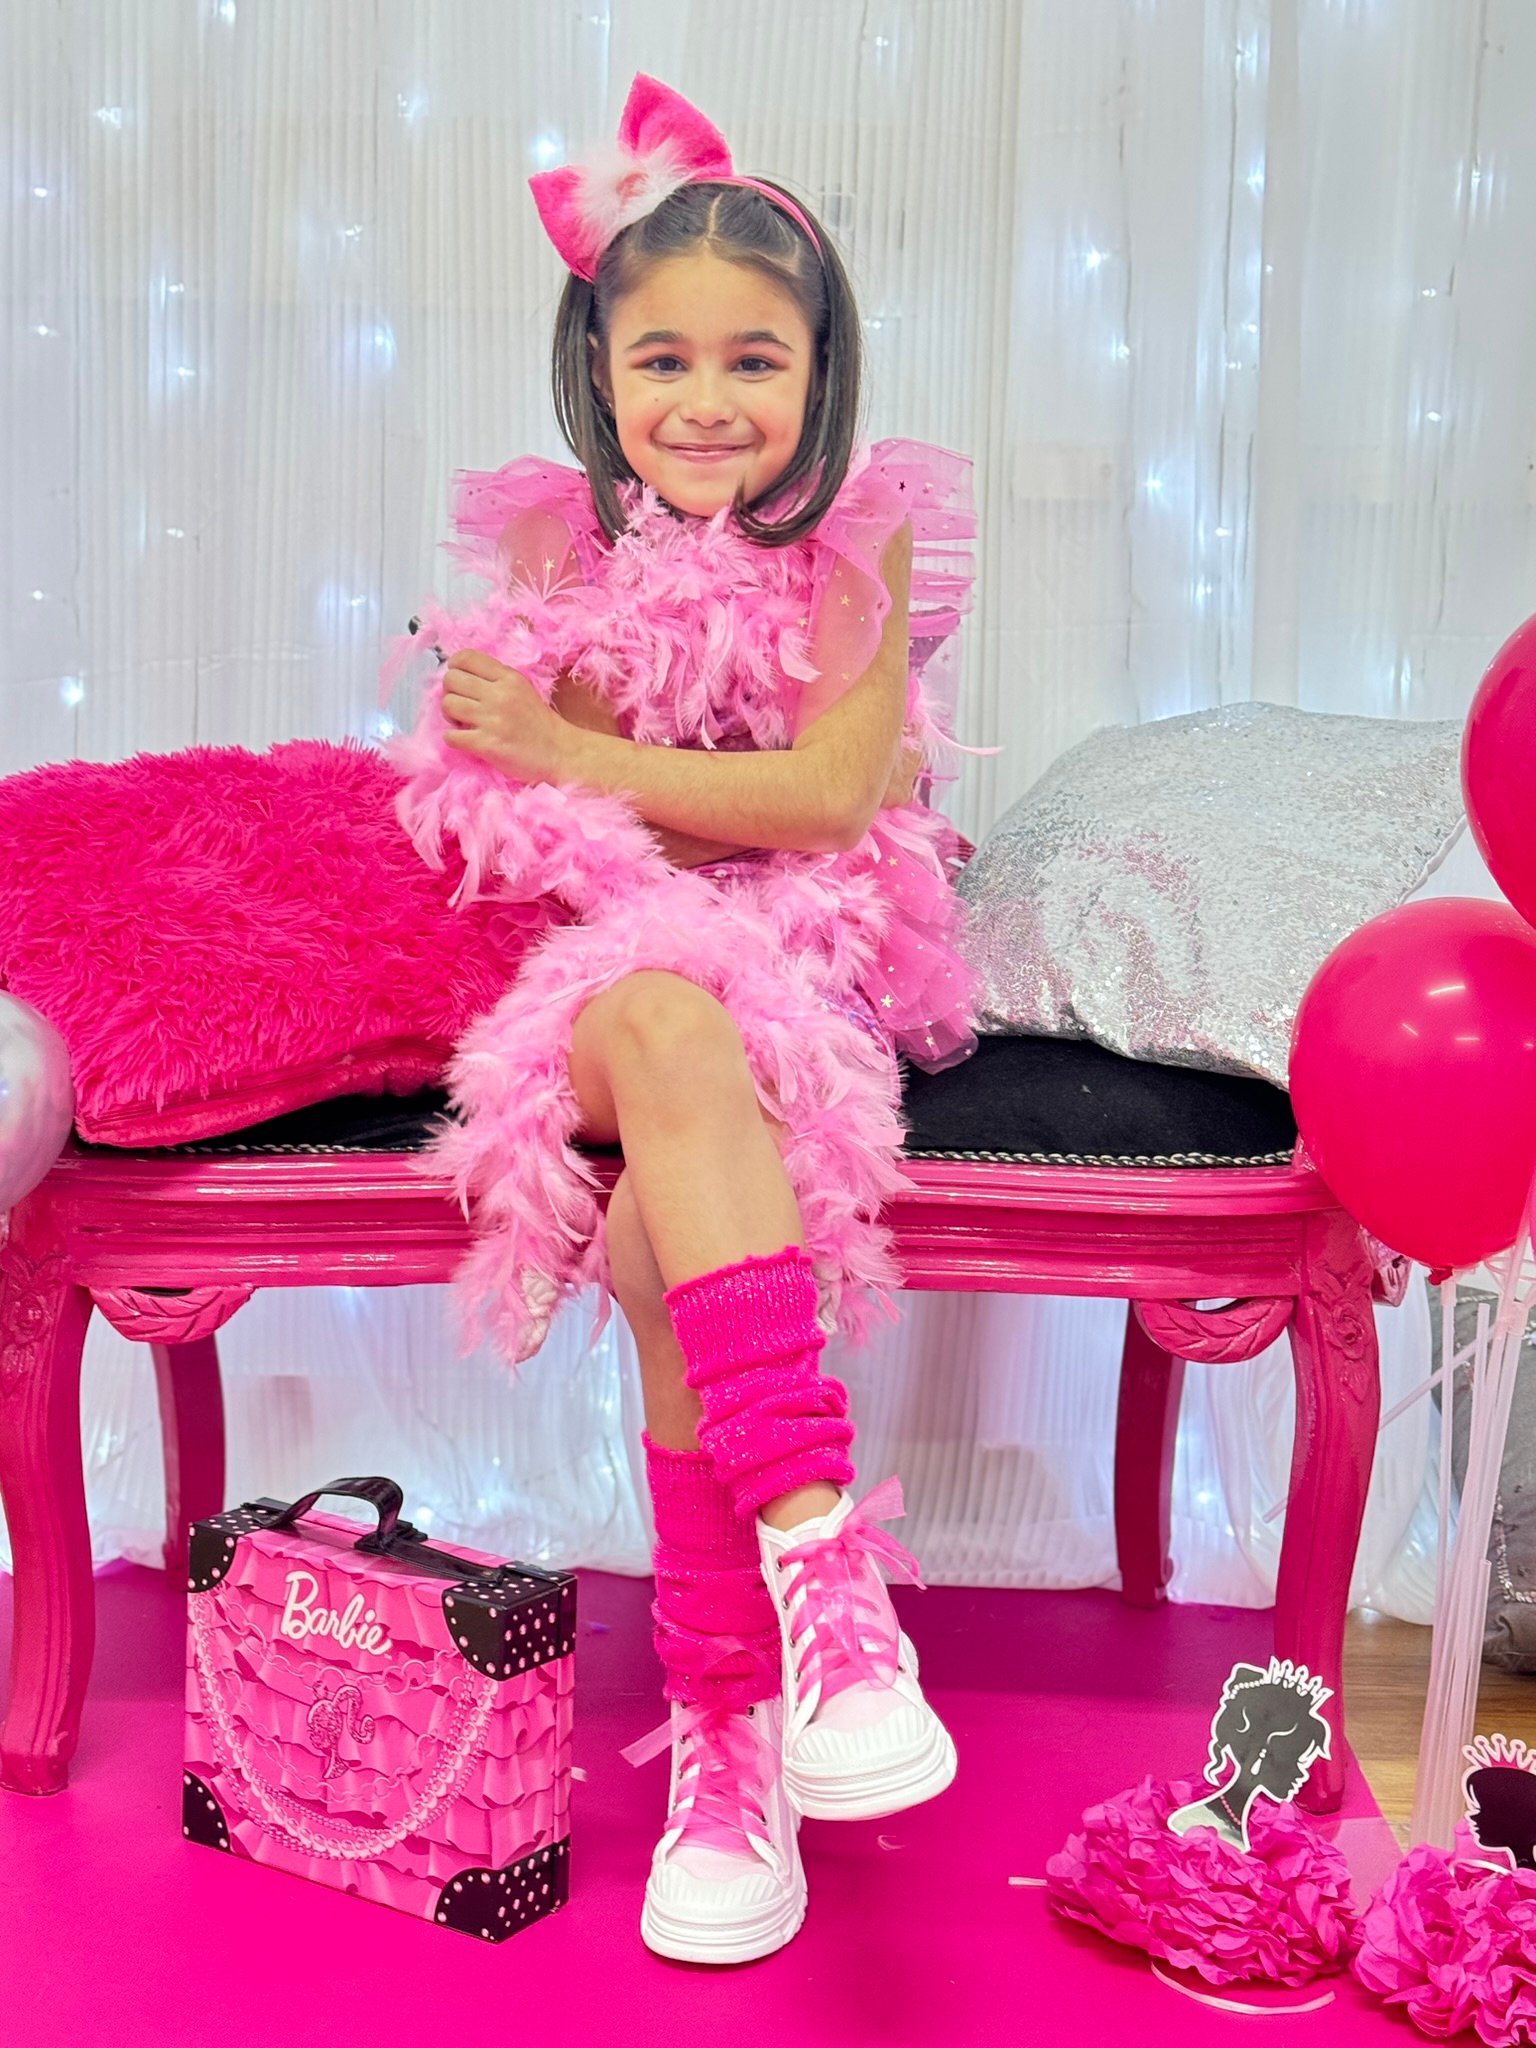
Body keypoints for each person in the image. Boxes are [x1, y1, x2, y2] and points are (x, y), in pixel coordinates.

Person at [386, 73, 981, 1964]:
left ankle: (728, 1740)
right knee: (655, 1006)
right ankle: (825, 1561)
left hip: (799, 977)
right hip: (596, 987)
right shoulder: (549, 546)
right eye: (663, 360)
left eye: (755, 360)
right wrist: (618, 782)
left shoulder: (862, 546)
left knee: (671, 1213)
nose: (708, 401)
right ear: (601, 369)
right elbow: (541, 826)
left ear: (821, 375)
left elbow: (830, 800)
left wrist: (589, 757)